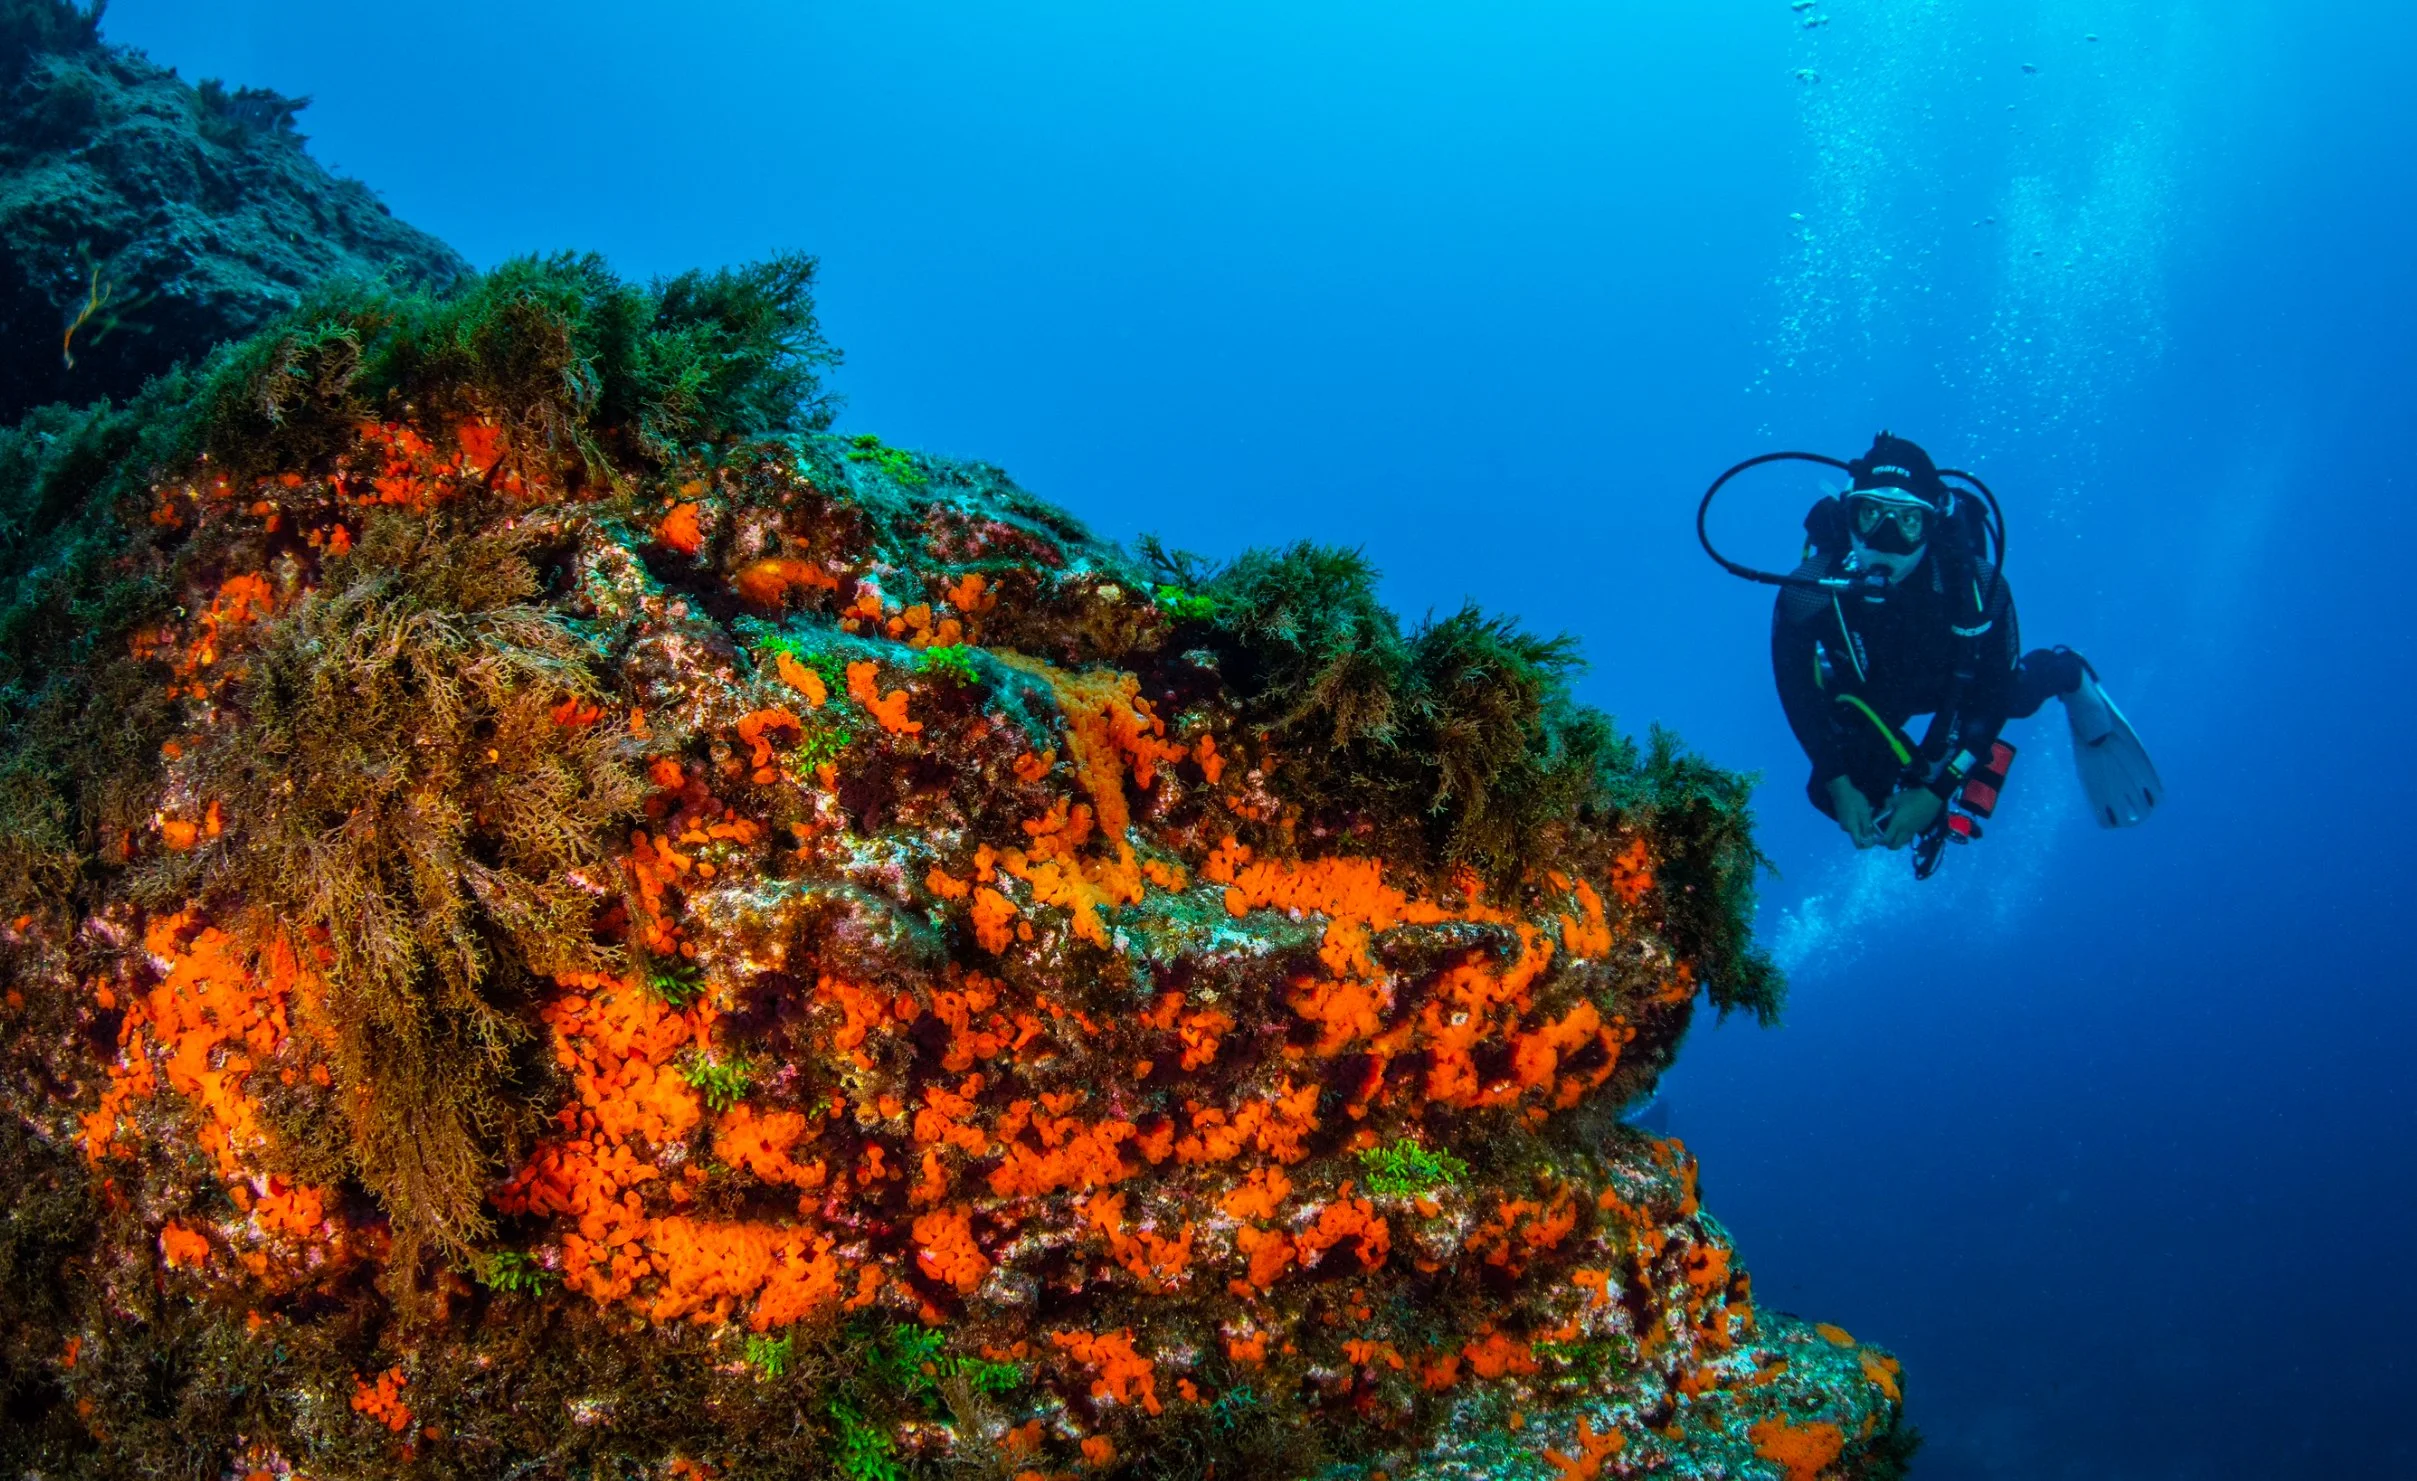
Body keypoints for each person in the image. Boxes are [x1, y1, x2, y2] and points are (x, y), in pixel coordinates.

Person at [1768, 433, 2159, 864]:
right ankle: (1899, 798)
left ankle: (2068, 673)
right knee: (1834, 785)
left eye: (1908, 521)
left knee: (2015, 697)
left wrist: (1935, 792)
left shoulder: (1978, 588)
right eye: (1871, 514)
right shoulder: (1808, 592)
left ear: (1932, 525)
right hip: (1869, 686)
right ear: (1849, 516)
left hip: (1952, 680)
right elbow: (1796, 690)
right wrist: (1840, 783)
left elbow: (1989, 702)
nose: (1887, 538)